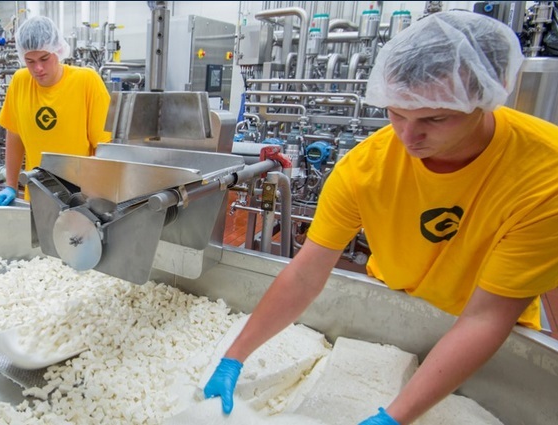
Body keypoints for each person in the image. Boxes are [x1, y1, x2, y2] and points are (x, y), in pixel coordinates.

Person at [203, 10, 558, 425]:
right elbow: (305, 273)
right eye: (397, 113)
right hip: (393, 305)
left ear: (483, 99)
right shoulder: (365, 167)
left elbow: (485, 317)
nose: (408, 137)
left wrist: (395, 417)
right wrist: (235, 357)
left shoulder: (543, 173)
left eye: (435, 119)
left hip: (484, 332)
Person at [0, 15, 112, 206]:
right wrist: (11, 185)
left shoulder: (86, 81)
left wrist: (97, 197)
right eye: (30, 61)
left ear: (58, 50)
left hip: (81, 198)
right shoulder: (20, 82)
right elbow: (14, 137)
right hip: (38, 195)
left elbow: (103, 148)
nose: (38, 68)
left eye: (44, 58)